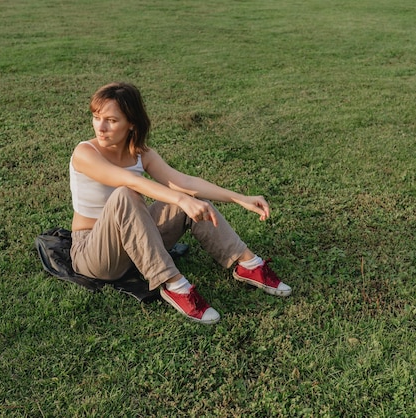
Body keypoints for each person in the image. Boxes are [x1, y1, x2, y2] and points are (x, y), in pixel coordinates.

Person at [69, 82, 291, 325]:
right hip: (94, 254)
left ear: (131, 123)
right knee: (126, 194)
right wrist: (180, 198)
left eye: (111, 120)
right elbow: (129, 181)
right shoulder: (85, 153)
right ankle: (175, 285)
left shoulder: (141, 153)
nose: (100, 127)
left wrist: (240, 198)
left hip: (137, 243)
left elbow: (183, 181)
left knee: (190, 196)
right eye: (96, 117)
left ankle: (248, 263)